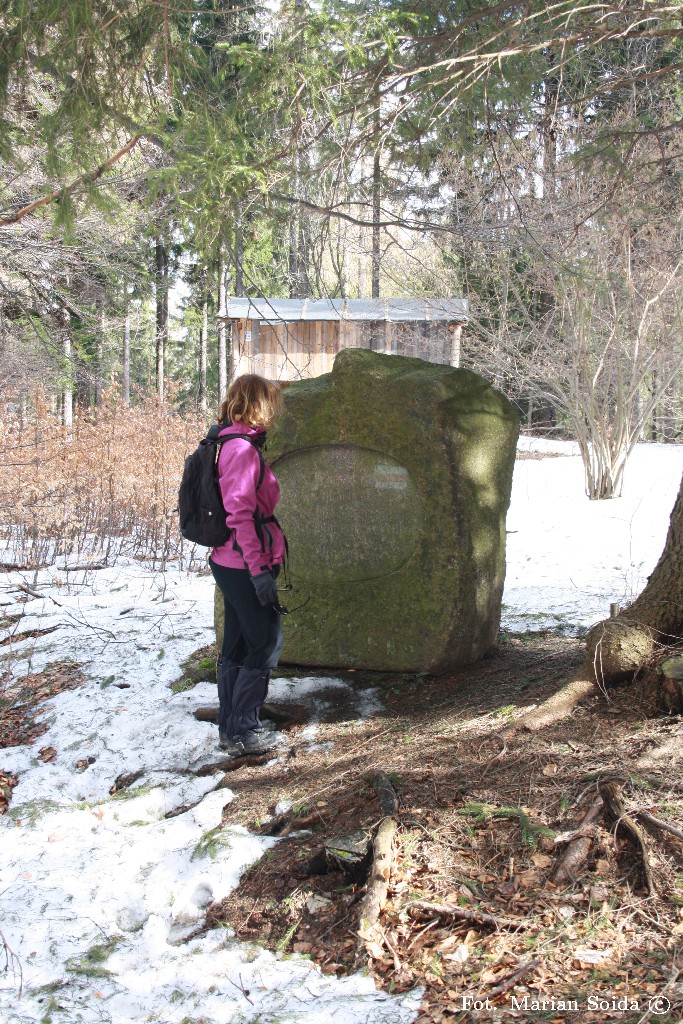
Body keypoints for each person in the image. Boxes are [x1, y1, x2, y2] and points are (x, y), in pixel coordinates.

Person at [208, 374, 286, 756]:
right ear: (259, 404)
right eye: (271, 401)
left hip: (231, 561)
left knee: (238, 644)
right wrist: (258, 572)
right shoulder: (240, 449)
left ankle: (231, 729)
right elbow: (240, 515)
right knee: (265, 644)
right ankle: (245, 731)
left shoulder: (228, 441)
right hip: (243, 564)